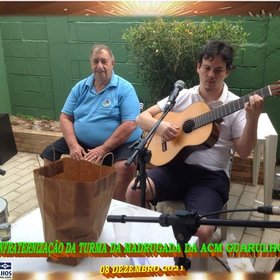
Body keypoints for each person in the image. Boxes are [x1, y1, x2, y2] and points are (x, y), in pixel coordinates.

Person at [125, 40, 264, 245]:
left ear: (227, 72)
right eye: (206, 68)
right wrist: (162, 127)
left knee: (202, 231)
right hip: (174, 169)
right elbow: (141, 118)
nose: (211, 75)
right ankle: (151, 247)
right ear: (198, 67)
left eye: (218, 70)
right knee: (134, 192)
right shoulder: (183, 96)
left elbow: (244, 151)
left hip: (211, 177)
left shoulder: (234, 104)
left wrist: (253, 118)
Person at [41, 44, 142, 201]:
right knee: (49, 154)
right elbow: (65, 117)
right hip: (82, 143)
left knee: (124, 167)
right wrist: (73, 145)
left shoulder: (124, 88)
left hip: (120, 143)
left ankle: (115, 206)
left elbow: (130, 124)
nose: (99, 66)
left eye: (104, 61)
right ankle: (61, 198)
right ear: (90, 63)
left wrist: (103, 149)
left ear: (112, 63)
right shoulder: (80, 87)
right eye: (95, 61)